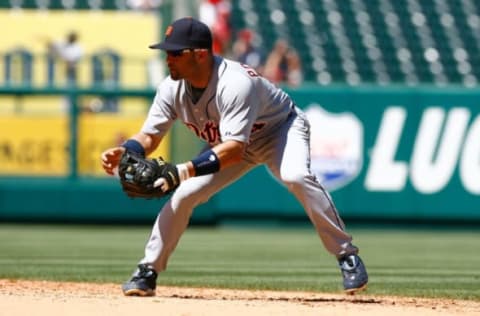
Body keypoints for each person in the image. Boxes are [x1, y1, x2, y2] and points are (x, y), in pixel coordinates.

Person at [100, 17, 368, 297]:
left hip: (279, 130)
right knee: (183, 196)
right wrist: (127, 151)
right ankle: (147, 270)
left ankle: (346, 255)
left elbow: (234, 150)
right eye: (167, 52)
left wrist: (180, 172)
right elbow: (150, 137)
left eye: (176, 52)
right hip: (229, 143)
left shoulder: (235, 83)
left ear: (200, 54)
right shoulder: (171, 88)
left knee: (296, 176)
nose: (169, 59)